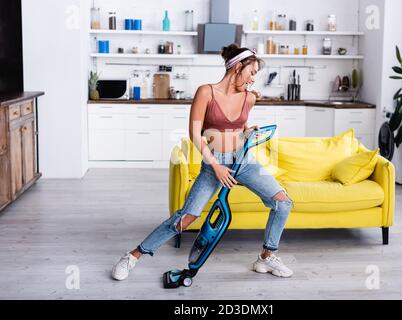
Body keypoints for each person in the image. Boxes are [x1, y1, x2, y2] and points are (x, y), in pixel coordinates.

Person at [112, 43, 294, 281]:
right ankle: (133, 256)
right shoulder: (205, 92)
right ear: (238, 67)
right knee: (185, 219)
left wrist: (248, 132)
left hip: (244, 161)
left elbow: (236, 130)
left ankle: (266, 257)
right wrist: (216, 166)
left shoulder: (249, 98)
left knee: (283, 203)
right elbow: (195, 135)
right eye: (251, 73)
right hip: (213, 163)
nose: (253, 80)